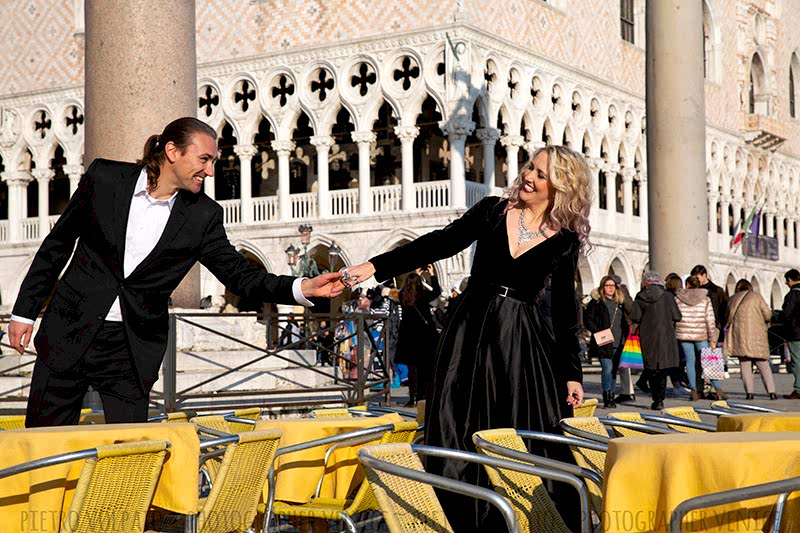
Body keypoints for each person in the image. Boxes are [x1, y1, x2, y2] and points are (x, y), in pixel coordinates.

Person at [7, 117, 343, 427]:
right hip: (69, 330)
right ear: (172, 151)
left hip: (129, 348)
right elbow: (58, 244)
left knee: (128, 457)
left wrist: (302, 288)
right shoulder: (105, 178)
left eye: (213, 161)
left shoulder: (203, 216)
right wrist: (24, 311)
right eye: (204, 160)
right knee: (44, 445)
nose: (210, 171)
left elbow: (241, 275)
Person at [343, 145, 589, 530]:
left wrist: (571, 371)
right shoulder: (492, 211)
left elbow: (563, 314)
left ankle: (526, 518)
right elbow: (438, 243)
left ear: (560, 187)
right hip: (468, 334)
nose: (528, 176)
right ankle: (463, 518)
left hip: (521, 343)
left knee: (522, 429)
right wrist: (375, 266)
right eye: (530, 167)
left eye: (541, 175)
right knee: (459, 425)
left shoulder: (565, 241)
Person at [631, 271, 681, 410]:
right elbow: (677, 316)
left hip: (647, 335)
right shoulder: (668, 296)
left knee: (652, 366)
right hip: (666, 335)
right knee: (663, 368)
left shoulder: (640, 296)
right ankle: (660, 400)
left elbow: (635, 316)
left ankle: (654, 397)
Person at [396, 267, 441, 407]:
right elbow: (437, 292)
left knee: (412, 368)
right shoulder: (423, 295)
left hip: (408, 335)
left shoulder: (402, 296)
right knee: (424, 367)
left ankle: (412, 396)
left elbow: (404, 290)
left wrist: (415, 274)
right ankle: (422, 396)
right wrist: (432, 275)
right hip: (424, 335)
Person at [725, 279, 777, 400]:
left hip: (740, 337)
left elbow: (727, 317)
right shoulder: (756, 297)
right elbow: (767, 314)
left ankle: (749, 393)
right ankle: (772, 392)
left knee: (745, 364)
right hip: (757, 335)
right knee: (763, 364)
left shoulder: (732, 299)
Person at [675, 275, 723, 401]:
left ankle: (694, 390)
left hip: (684, 334)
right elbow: (710, 320)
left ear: (687, 285)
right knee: (709, 360)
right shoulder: (705, 299)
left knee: (690, 362)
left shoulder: (678, 298)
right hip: (701, 335)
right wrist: (712, 339)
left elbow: (675, 317)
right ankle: (717, 388)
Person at [584, 276, 629, 408]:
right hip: (603, 341)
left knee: (614, 369)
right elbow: (588, 320)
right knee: (607, 368)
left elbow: (629, 316)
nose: (610, 288)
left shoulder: (620, 303)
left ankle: (611, 395)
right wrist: (598, 331)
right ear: (602, 287)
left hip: (618, 341)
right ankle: (607, 396)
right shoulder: (596, 302)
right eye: (607, 285)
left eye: (613, 285)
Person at [610, 274, 637, 403]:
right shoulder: (623, 292)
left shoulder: (622, 293)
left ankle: (627, 391)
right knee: (624, 363)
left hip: (624, 331)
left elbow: (630, 310)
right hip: (624, 331)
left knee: (624, 362)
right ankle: (627, 391)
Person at [690, 265, 729, 341]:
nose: (696, 281)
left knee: (711, 351)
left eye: (697, 278)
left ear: (704, 275)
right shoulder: (694, 291)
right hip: (698, 328)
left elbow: (725, 310)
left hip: (714, 327)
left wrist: (719, 326)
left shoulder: (717, 291)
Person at [781, 269, 800, 399]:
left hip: (796, 333)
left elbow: (786, 314)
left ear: (790, 280)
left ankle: (798, 389)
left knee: (797, 361)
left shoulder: (792, 295)